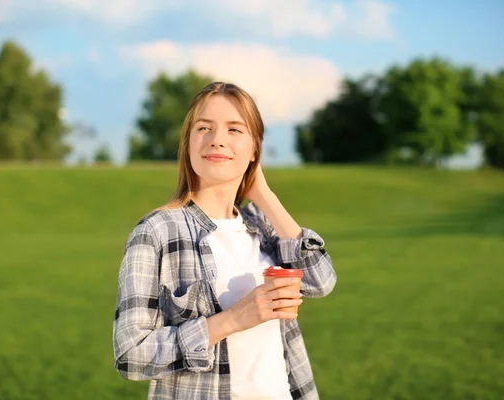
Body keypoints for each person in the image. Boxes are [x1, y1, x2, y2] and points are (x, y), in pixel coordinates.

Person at [112, 82, 336, 399]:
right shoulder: (157, 231)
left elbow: (320, 280)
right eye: (204, 128)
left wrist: (266, 196)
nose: (217, 140)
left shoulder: (262, 224)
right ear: (188, 144)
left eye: (234, 130)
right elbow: (130, 355)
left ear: (254, 148)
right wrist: (231, 320)